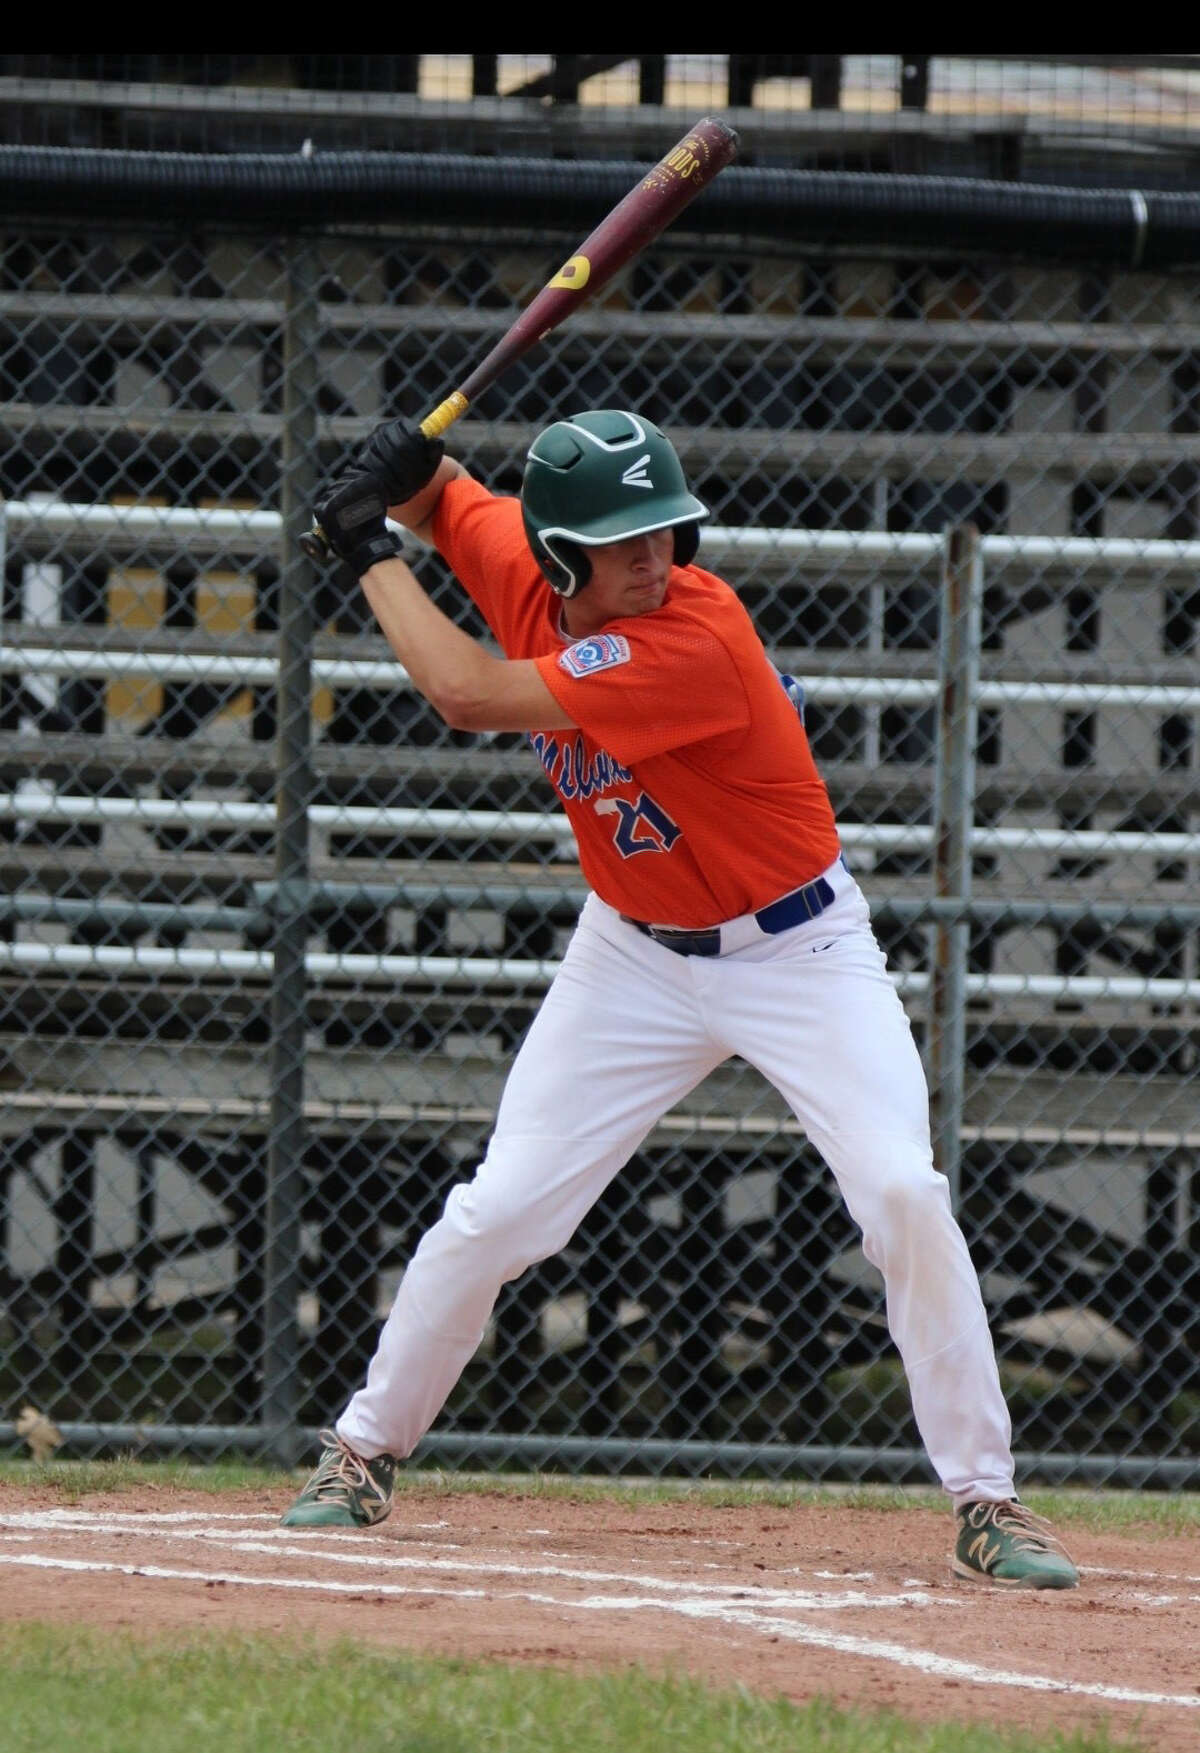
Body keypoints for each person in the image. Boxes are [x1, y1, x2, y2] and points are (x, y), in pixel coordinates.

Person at [280, 408, 1078, 1590]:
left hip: (799, 949)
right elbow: (447, 496)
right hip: (633, 954)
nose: (655, 555)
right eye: (624, 540)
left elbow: (465, 693)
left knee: (903, 1191)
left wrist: (364, 549)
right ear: (560, 557)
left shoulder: (694, 635)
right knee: (502, 1209)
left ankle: (988, 1498)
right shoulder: (522, 563)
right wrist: (402, 470)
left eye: (665, 527)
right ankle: (361, 1449)